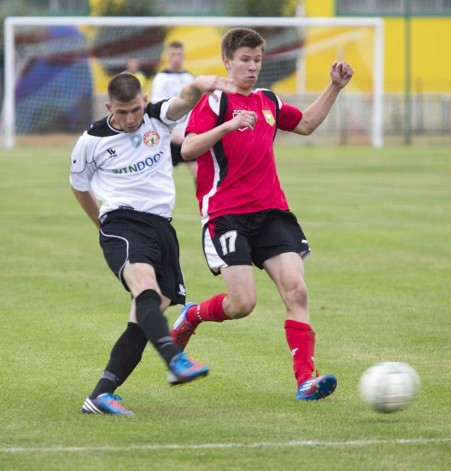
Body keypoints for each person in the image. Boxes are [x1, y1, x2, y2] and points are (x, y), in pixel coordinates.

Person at [170, 28, 354, 401]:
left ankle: (306, 379)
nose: (252, 67)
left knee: (297, 291)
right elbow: (188, 148)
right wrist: (227, 126)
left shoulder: (267, 100)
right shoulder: (215, 101)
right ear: (227, 62)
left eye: (257, 60)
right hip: (226, 215)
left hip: (270, 212)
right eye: (245, 60)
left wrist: (334, 87)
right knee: (243, 305)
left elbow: (304, 124)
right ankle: (192, 316)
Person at [70, 72, 235, 416]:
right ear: (108, 107)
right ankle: (175, 359)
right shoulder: (91, 140)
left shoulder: (157, 118)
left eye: (134, 109)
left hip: (161, 227)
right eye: (122, 112)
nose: (130, 119)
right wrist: (100, 222)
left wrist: (199, 84)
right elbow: (79, 185)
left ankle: (101, 394)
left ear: (144, 101)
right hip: (122, 222)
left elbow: (184, 99)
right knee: (144, 285)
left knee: (146, 314)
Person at [151, 40, 198, 178]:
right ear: (168, 56)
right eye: (173, 54)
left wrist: (188, 131)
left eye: (179, 54)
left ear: (183, 56)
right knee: (159, 174)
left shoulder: (189, 78)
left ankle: (202, 200)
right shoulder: (161, 78)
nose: (176, 58)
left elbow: (194, 107)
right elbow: (157, 106)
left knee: (200, 174)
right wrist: (173, 132)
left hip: (187, 135)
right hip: (167, 135)